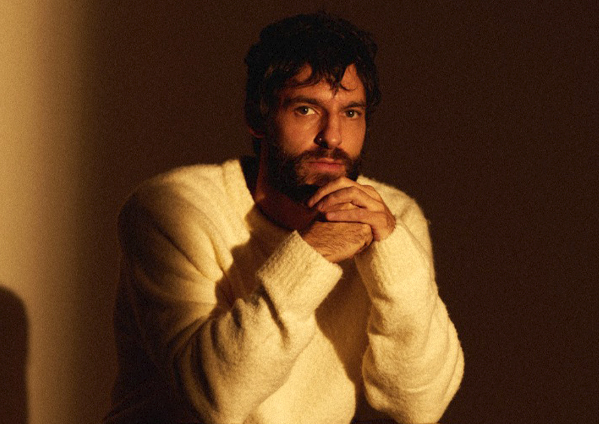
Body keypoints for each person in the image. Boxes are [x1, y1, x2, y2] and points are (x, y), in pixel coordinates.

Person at [104, 12, 464, 424]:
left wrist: (393, 253)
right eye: (306, 109)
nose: (332, 136)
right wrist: (312, 255)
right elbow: (218, 398)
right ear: (257, 118)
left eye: (351, 113)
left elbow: (420, 405)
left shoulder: (390, 219)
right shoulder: (174, 210)